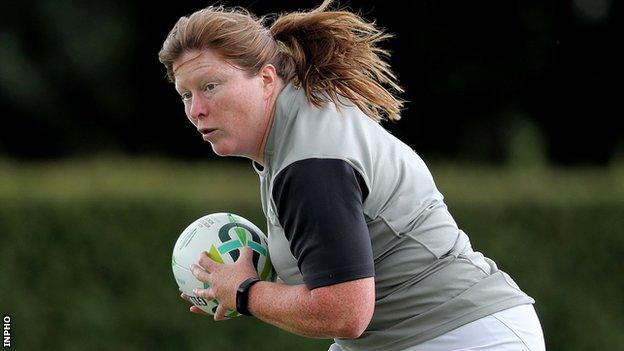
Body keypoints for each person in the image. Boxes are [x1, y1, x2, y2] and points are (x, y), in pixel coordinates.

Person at [158, 1, 546, 350]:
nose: (197, 110)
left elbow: (345, 313)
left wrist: (244, 291)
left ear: (266, 79)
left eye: (211, 86)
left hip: (463, 336)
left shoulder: (308, 163)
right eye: (186, 94)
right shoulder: (296, 129)